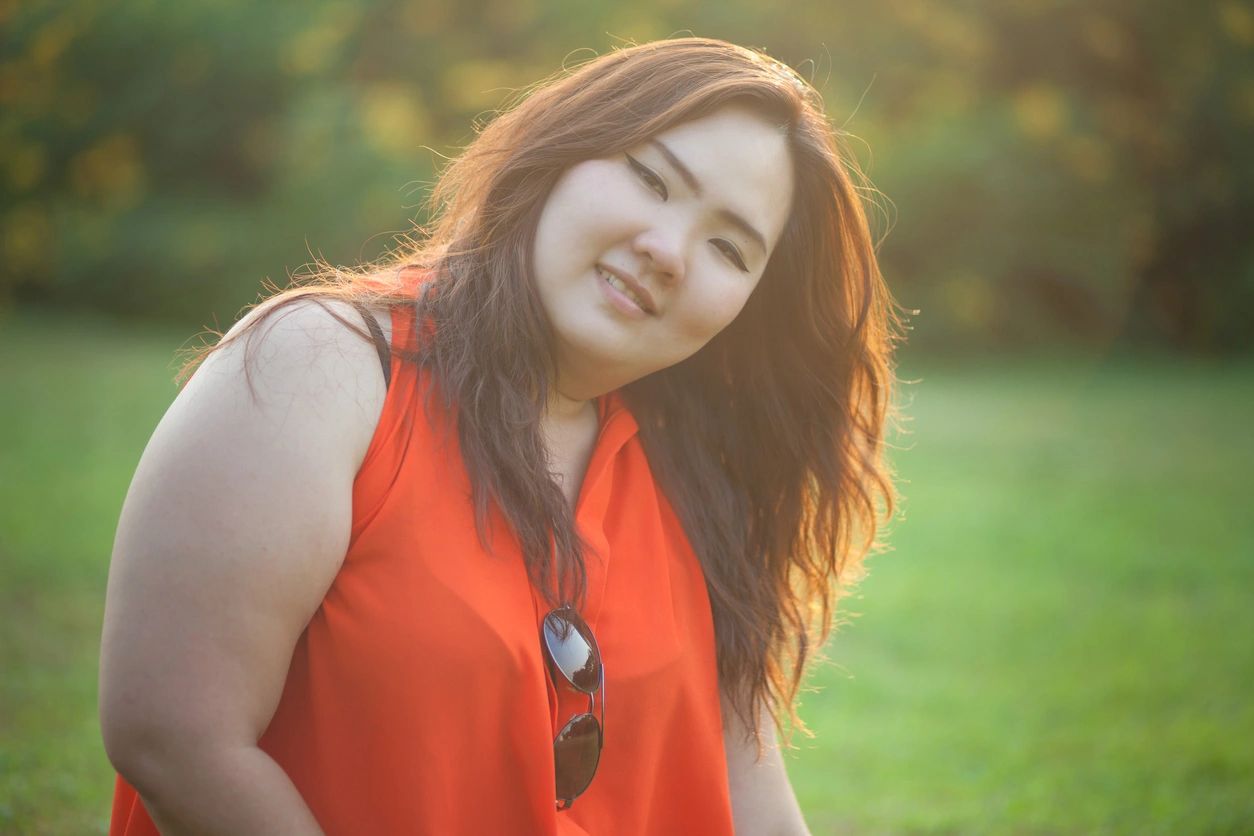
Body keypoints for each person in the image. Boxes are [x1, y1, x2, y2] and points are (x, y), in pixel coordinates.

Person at [99, 37, 901, 835]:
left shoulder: (697, 470)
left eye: (729, 247)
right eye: (652, 179)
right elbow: (174, 736)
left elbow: (743, 786)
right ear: (562, 152)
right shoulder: (321, 368)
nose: (667, 251)